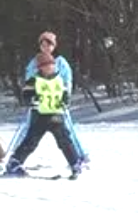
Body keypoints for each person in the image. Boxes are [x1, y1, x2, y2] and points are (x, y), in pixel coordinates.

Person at [2, 53, 82, 180]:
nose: (51, 67)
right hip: (40, 116)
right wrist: (33, 100)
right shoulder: (34, 80)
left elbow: (65, 93)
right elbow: (26, 94)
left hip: (56, 115)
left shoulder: (59, 79)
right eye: (47, 65)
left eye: (52, 64)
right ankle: (15, 164)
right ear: (41, 67)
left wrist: (65, 101)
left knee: (65, 140)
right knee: (31, 141)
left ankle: (75, 163)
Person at [20, 31, 88, 163]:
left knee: (66, 132)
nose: (46, 48)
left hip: (56, 102)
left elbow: (67, 80)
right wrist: (32, 96)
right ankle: (16, 158)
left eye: (49, 45)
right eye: (43, 44)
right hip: (40, 103)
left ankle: (79, 156)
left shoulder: (60, 61)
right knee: (30, 131)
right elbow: (29, 78)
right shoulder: (35, 61)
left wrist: (65, 96)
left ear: (54, 46)